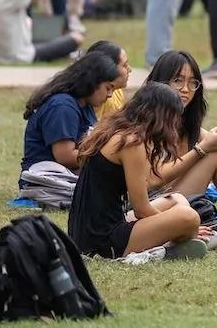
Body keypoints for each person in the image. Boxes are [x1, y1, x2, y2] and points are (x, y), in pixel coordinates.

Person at [69, 82, 205, 259]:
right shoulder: (132, 142)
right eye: (174, 119)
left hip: (87, 231)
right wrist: (175, 227)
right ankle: (166, 247)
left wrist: (169, 223)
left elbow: (149, 181)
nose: (176, 126)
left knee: (177, 199)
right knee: (189, 217)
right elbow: (142, 210)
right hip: (102, 241)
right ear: (162, 117)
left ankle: (172, 242)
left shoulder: (116, 130)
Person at [144, 51, 217, 211]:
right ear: (160, 82)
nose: (185, 89)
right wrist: (202, 149)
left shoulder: (182, 121)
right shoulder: (145, 123)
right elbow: (153, 180)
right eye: (178, 81)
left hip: (171, 200)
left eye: (192, 82)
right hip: (144, 209)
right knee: (214, 153)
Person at [20, 52, 118, 179]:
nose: (110, 95)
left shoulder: (85, 104)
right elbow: (65, 157)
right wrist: (106, 157)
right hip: (48, 180)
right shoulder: (63, 107)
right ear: (92, 82)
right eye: (108, 88)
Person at [84, 39, 132, 118]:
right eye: (124, 65)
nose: (130, 70)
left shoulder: (117, 91)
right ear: (109, 67)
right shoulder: (96, 99)